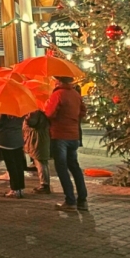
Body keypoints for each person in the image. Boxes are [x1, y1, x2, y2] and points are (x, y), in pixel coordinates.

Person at [46, 76, 88, 212]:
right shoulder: (76, 94)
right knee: (74, 167)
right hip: (73, 135)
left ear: (59, 81)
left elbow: (50, 113)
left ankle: (70, 201)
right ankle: (82, 200)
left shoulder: (57, 94)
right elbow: (83, 111)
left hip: (59, 135)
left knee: (62, 168)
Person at [0, 113, 26, 198]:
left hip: (6, 141)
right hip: (18, 140)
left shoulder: (3, 110)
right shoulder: (20, 110)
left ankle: (14, 189)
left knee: (11, 166)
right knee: (19, 165)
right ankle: (20, 189)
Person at [23, 109, 51, 194]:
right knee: (41, 161)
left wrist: (26, 117)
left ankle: (44, 185)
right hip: (38, 138)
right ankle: (44, 184)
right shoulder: (41, 110)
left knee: (40, 161)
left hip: (37, 139)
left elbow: (32, 122)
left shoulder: (35, 110)